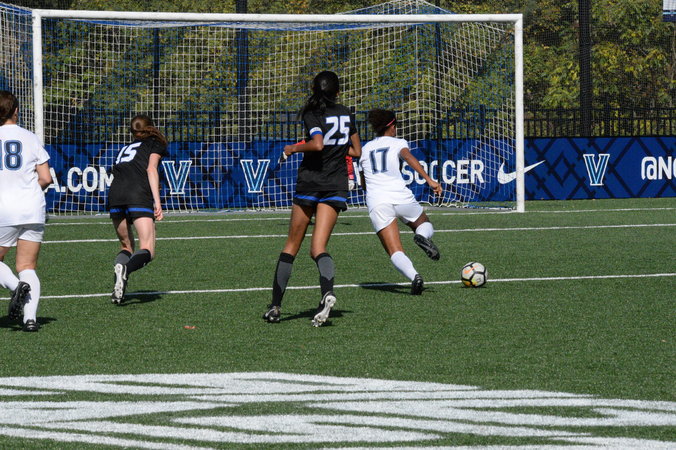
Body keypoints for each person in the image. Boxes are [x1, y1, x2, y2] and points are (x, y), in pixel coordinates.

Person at [264, 70, 362, 326]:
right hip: (335, 184)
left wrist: (292, 148)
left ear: (314, 90)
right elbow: (357, 151)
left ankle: (275, 307)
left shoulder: (312, 112)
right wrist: (337, 148)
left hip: (311, 182)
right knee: (318, 248)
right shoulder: (346, 113)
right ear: (338, 91)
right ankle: (327, 292)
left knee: (291, 246)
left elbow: (317, 144)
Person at [358, 109, 442, 295]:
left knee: (394, 250)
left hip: (378, 201)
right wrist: (429, 180)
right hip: (400, 195)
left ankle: (414, 277)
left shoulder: (365, 149)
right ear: (391, 126)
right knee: (424, 223)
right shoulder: (398, 143)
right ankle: (422, 236)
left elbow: (363, 183)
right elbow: (408, 157)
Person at [0, 90, 53, 331]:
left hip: (3, 208)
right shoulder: (30, 137)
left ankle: (15, 288)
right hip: (32, 207)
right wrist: (28, 192)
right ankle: (30, 319)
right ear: (16, 111)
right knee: (27, 266)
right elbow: (46, 178)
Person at [108, 114, 168, 304]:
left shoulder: (125, 148)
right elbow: (151, 169)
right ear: (151, 127)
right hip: (138, 195)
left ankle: (120, 280)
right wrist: (157, 202)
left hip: (115, 195)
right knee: (147, 248)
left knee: (126, 247)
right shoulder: (155, 143)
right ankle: (126, 269)